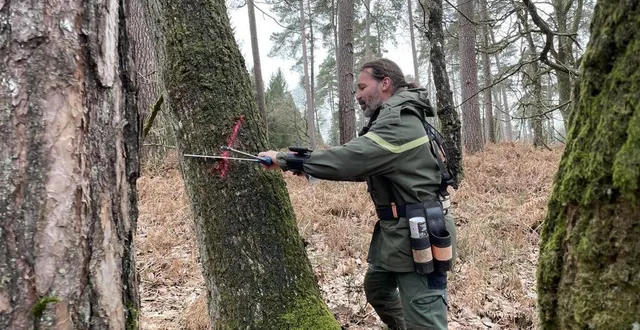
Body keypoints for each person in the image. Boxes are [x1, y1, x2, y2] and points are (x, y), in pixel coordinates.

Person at [259, 58, 456, 330]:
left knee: (426, 320)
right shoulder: (395, 117)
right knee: (377, 288)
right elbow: (365, 165)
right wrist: (310, 166)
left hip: (419, 235)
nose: (358, 95)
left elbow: (353, 158)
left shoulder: (398, 122)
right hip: (400, 235)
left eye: (362, 87)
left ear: (385, 83)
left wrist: (286, 160)